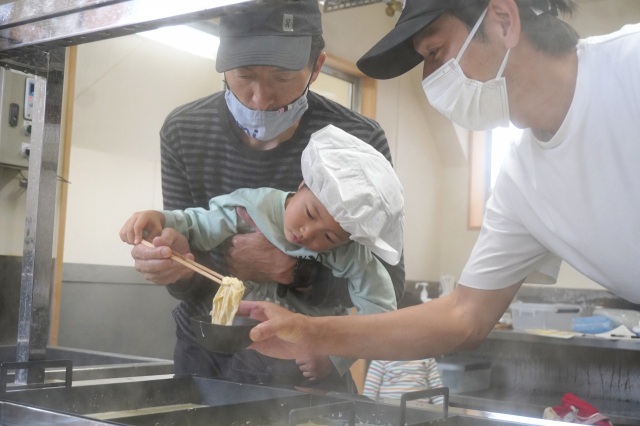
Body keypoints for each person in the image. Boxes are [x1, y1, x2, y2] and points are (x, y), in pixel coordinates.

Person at [236, 0, 640, 362]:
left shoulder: (628, 66)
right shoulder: (522, 186)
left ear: (503, 20)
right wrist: (310, 332)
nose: (430, 79)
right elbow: (462, 318)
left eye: (435, 52)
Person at [126, 0, 405, 392]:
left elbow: (386, 281)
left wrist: (296, 272)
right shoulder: (183, 130)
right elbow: (190, 244)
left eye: (282, 76)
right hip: (207, 349)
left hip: (305, 356)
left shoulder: (356, 142)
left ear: (317, 66)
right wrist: (173, 262)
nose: (260, 98)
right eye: (243, 76)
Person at [120, 124, 403, 343]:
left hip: (300, 347)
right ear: (303, 184)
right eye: (310, 214)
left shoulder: (350, 252)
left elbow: (379, 307)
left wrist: (332, 354)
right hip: (231, 341)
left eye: (328, 238)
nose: (307, 233)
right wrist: (160, 218)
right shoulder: (252, 207)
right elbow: (197, 223)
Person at [362, 292, 443, 405]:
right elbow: (369, 393)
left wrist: (445, 415)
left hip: (420, 418)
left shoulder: (426, 356)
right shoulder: (382, 356)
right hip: (389, 417)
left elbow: (438, 392)